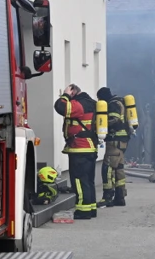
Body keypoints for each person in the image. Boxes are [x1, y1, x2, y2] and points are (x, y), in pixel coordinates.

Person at [54, 83, 98, 219]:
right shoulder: (91, 103)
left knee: (79, 180)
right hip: (89, 147)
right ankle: (91, 209)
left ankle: (83, 211)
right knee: (88, 180)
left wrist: (65, 94)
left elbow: (60, 107)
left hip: (80, 148)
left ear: (73, 92)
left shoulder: (78, 104)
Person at [97, 87, 130, 208]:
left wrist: (100, 124)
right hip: (122, 142)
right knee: (119, 169)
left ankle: (107, 197)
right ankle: (120, 197)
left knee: (108, 168)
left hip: (114, 141)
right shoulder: (120, 102)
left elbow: (114, 119)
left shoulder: (112, 104)